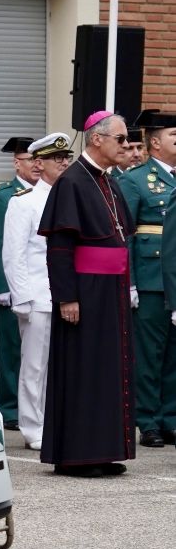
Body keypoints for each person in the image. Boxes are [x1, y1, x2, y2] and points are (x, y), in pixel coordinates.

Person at [38, 111, 135, 476]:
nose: (125, 145)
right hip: (85, 291)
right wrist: (66, 297)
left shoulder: (107, 182)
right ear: (97, 139)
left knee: (107, 370)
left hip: (110, 289)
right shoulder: (73, 182)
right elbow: (60, 247)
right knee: (84, 370)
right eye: (121, 138)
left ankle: (103, 449)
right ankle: (77, 455)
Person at [3, 132, 72, 451]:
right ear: (39, 163)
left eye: (66, 158)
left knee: (64, 364)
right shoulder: (24, 203)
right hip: (39, 295)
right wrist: (22, 298)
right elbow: (13, 254)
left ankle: (60, 422)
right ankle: (33, 426)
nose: (64, 163)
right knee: (35, 365)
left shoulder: (72, 198)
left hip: (68, 296)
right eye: (56, 159)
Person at [116, 109, 176, 447]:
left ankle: (171, 417)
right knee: (150, 352)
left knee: (174, 353)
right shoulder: (136, 179)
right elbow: (125, 234)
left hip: (175, 278)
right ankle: (148, 419)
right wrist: (132, 282)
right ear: (154, 143)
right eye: (174, 137)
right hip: (151, 276)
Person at [0, 137, 40, 430]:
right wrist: (1, 286)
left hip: (40, 283)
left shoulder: (49, 193)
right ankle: (9, 407)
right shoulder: (3, 196)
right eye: (30, 160)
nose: (36, 165)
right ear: (17, 163)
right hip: (11, 286)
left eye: (39, 159)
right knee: (11, 347)